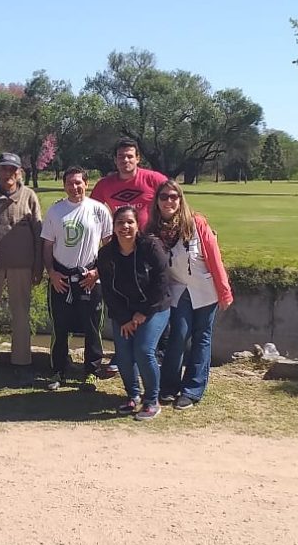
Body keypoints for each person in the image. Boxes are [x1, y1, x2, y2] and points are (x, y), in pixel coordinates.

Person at [146, 180, 233, 409]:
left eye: (174, 196)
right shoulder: (153, 229)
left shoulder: (196, 223)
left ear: (180, 199)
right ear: (157, 200)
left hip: (205, 289)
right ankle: (168, 386)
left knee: (202, 338)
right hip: (178, 290)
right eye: (164, 197)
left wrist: (224, 291)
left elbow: (214, 257)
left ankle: (193, 389)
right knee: (178, 336)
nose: (169, 201)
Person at [40, 166, 113, 392]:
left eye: (78, 182)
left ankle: (91, 372)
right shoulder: (55, 211)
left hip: (90, 278)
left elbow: (109, 247)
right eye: (70, 183)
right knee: (60, 328)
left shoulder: (99, 210)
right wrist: (51, 273)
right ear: (64, 185)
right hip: (61, 278)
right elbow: (47, 245)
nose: (75, 187)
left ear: (86, 183)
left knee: (93, 328)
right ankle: (58, 370)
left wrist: (98, 272)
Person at [0, 152, 44, 387]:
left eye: (13, 169)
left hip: (22, 266)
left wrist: (38, 266)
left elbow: (39, 235)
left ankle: (22, 363)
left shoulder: (29, 196)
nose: (8, 173)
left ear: (19, 172)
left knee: (21, 315)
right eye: (4, 168)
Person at [97, 205, 171, 421]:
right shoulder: (106, 254)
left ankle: (152, 400)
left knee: (143, 349)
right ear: (114, 226)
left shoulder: (151, 246)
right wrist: (123, 318)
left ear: (138, 225)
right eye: (120, 222)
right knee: (124, 353)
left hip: (155, 307)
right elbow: (109, 291)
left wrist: (142, 313)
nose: (125, 227)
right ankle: (133, 395)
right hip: (124, 312)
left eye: (130, 222)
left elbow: (162, 282)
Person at [90, 137, 169, 229]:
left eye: (130, 156)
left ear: (137, 158)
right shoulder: (103, 185)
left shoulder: (154, 179)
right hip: (121, 238)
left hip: (151, 237)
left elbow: (177, 201)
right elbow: (90, 211)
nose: (125, 160)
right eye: (121, 157)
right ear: (115, 160)